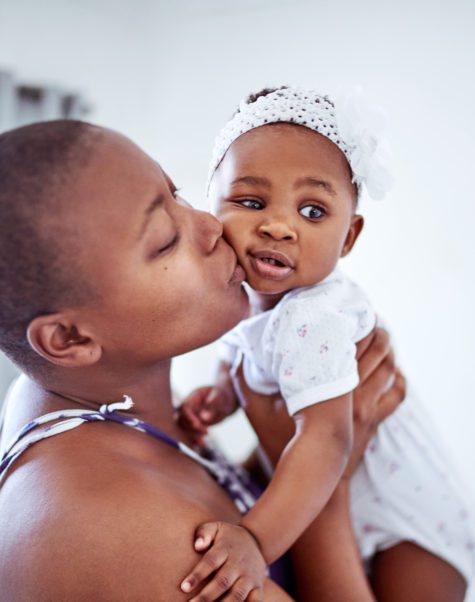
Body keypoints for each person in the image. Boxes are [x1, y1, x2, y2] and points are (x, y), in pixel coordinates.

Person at [0, 119, 404, 601]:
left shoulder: (76, 396)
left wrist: (280, 451)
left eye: (179, 195)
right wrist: (331, 482)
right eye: (166, 239)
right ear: (68, 337)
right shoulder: (130, 541)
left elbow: (209, 493)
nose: (213, 226)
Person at [179, 86, 475, 601]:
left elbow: (327, 440)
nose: (278, 226)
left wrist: (255, 539)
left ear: (349, 237)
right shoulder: (243, 297)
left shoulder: (314, 314)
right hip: (333, 492)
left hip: (409, 514)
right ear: (211, 203)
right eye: (250, 201)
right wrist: (222, 395)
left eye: (313, 212)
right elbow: (242, 353)